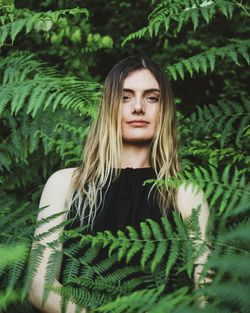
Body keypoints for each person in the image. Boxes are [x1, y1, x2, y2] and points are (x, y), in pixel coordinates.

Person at [28, 56, 210, 312]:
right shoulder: (66, 184)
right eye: (125, 97)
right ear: (109, 107)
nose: (138, 107)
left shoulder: (184, 193)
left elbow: (208, 295)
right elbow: (39, 286)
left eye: (151, 97)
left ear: (165, 109)